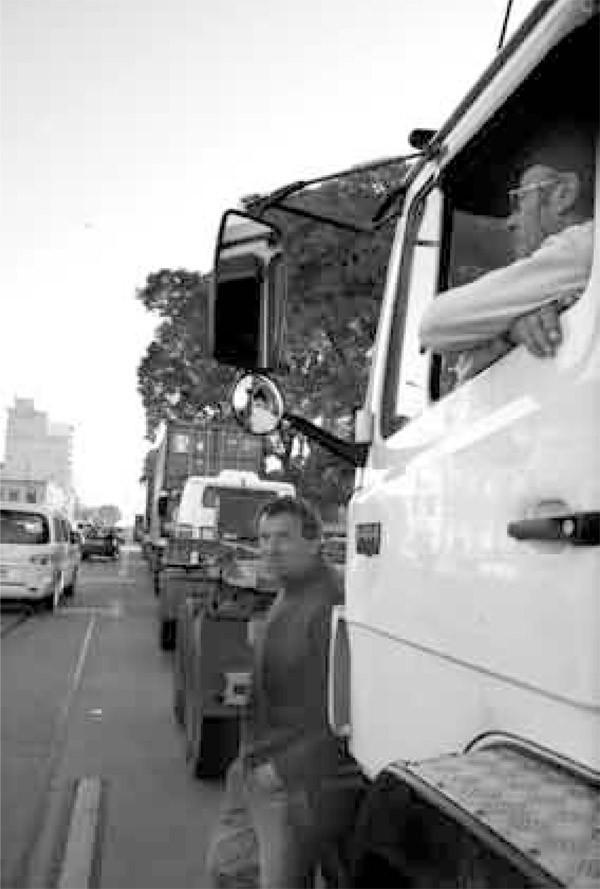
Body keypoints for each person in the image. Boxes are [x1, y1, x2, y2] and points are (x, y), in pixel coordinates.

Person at [206, 496, 363, 888]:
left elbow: (347, 711)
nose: (271, 549)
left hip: (292, 787)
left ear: (314, 542)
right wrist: (245, 766)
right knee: (228, 872)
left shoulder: (330, 603)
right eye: (264, 538)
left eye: (284, 538)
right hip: (253, 769)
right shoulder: (288, 591)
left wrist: (280, 772)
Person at [419, 128, 595, 380]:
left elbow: (434, 324)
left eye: (519, 200)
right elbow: (465, 372)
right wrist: (510, 332)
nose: (510, 222)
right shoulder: (578, 275)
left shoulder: (581, 245)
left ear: (563, 193)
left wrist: (506, 334)